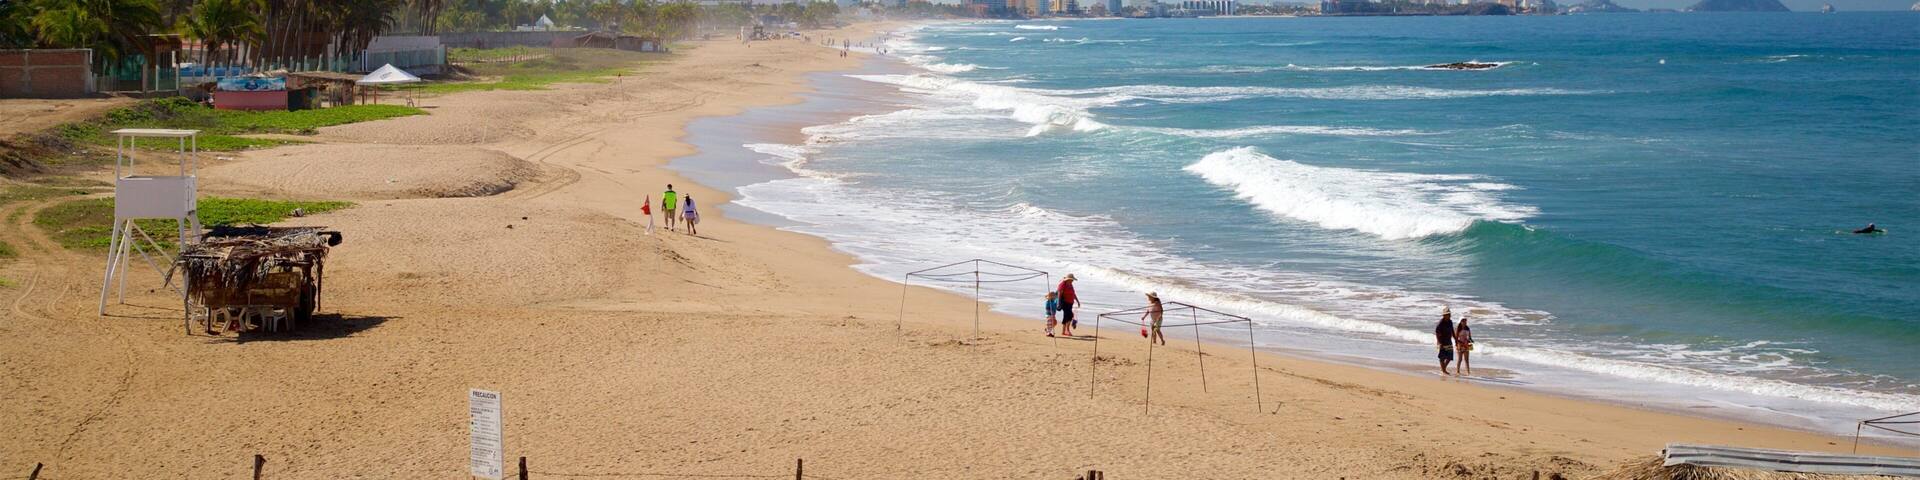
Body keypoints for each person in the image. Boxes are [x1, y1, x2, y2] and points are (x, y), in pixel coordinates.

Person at [1435, 306, 1456, 376]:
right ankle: (1444, 370)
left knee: (1450, 357)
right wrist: (1438, 342)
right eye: (1448, 314)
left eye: (1449, 314)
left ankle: (1443, 368)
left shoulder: (1450, 322)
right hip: (1442, 341)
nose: (1449, 315)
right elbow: (1436, 331)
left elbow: (1452, 331)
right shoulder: (1441, 322)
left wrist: (1456, 339)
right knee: (1442, 357)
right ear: (1444, 315)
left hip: (1449, 341)